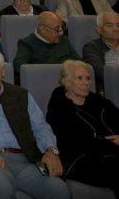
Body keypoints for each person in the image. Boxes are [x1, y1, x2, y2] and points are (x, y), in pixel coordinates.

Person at [0, 48, 70, 199]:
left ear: (3, 71)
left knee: (59, 189)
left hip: (25, 161)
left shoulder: (21, 94)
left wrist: (51, 150)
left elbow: (40, 126)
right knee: (2, 187)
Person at [45, 60, 119, 198]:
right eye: (79, 78)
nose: (86, 82)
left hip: (108, 153)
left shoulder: (97, 101)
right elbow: (78, 141)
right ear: (67, 82)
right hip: (79, 160)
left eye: (88, 78)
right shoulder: (60, 106)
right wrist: (111, 144)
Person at [13, 12, 79, 77]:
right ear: (42, 29)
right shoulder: (27, 43)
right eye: (56, 29)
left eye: (61, 28)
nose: (60, 33)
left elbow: (79, 61)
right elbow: (18, 64)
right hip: (43, 80)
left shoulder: (64, 40)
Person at [82, 12, 119, 93]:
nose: (116, 29)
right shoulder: (92, 47)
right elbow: (100, 72)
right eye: (109, 25)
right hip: (109, 90)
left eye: (118, 25)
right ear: (99, 30)